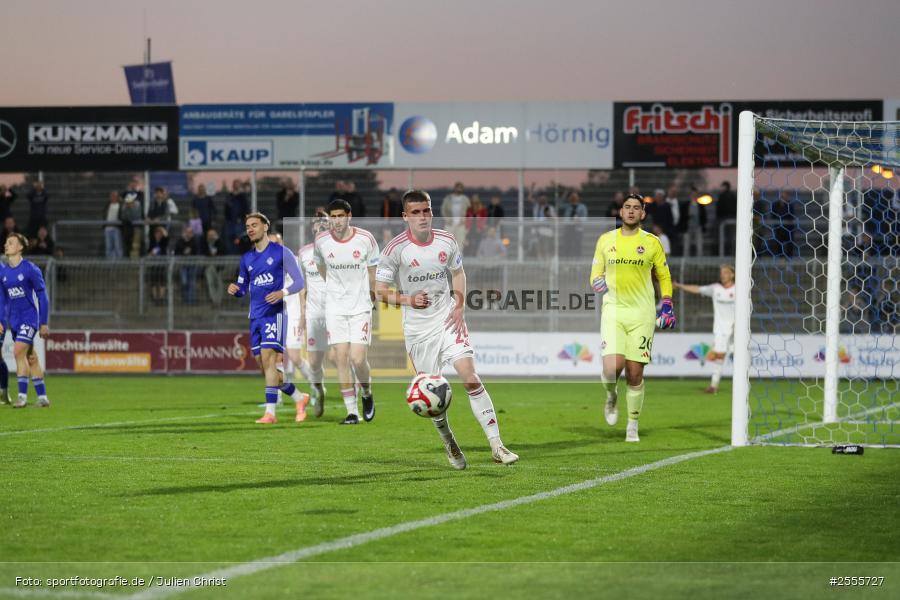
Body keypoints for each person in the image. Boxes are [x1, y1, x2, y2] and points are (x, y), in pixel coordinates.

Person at [374, 190, 518, 468]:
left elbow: (458, 273)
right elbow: (379, 291)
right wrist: (408, 300)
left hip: (447, 319)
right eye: (415, 212)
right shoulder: (394, 249)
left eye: (426, 210)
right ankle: (449, 441)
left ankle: (497, 445)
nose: (423, 217)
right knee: (433, 395)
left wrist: (459, 306)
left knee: (470, 377)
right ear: (405, 216)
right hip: (418, 331)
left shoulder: (447, 240)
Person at [590, 193, 675, 442]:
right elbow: (595, 272)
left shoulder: (652, 242)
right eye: (627, 207)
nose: (630, 211)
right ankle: (611, 396)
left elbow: (664, 276)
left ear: (643, 214)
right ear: (620, 211)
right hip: (614, 312)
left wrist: (667, 303)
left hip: (642, 314)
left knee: (635, 373)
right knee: (611, 368)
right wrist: (596, 282)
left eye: (636, 207)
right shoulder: (606, 240)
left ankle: (632, 425)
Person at [227, 213, 309, 424]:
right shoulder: (247, 258)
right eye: (248, 226)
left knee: (269, 360)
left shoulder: (281, 252)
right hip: (255, 317)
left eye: (254, 225)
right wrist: (235, 289)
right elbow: (243, 288)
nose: (250, 229)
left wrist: (283, 292)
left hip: (275, 314)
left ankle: (270, 413)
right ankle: (299, 398)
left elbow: (299, 282)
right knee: (265, 368)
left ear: (265, 226)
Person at [314, 199, 379, 424]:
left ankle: (367, 393)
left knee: (357, 359)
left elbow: (373, 271)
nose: (337, 221)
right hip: (335, 307)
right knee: (340, 358)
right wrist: (335, 290)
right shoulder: (321, 241)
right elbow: (321, 267)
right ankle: (352, 412)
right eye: (333, 216)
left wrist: (372, 293)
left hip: (361, 306)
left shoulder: (366, 238)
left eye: (341, 216)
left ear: (349, 216)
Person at [0, 233, 50, 408]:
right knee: (31, 356)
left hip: (29, 319)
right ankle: (43, 398)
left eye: (11, 242)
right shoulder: (3, 272)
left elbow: (42, 296)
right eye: (6, 243)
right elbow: (2, 300)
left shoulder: (30, 269)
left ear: (20, 247)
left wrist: (43, 322)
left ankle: (21, 396)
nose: (6, 245)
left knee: (17, 352)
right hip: (14, 321)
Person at [290, 215, 330, 416]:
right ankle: (318, 389)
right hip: (314, 313)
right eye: (317, 222)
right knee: (314, 362)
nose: (320, 224)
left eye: (324, 221)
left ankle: (354, 403)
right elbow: (302, 287)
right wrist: (302, 315)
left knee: (340, 356)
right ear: (312, 228)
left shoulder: (338, 250)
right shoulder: (303, 253)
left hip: (335, 311)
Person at [673, 265, 736, 393]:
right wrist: (679, 286)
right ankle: (714, 385)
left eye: (725, 272)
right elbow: (697, 289)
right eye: (721, 272)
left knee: (739, 356)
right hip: (721, 329)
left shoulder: (739, 290)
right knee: (719, 356)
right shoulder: (715, 288)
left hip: (737, 329)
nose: (722, 275)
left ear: (732, 275)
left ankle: (742, 384)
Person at [174, 225, 202, 305]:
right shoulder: (180, 241)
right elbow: (176, 252)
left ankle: (190, 301)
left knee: (191, 282)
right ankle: (185, 300)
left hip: (192, 265)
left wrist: (190, 250)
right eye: (187, 232)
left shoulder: (194, 241)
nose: (189, 234)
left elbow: (197, 251)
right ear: (184, 232)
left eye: (191, 232)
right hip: (183, 264)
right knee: (184, 282)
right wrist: (184, 251)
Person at [441, 182, 470, 250]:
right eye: (458, 187)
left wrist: (464, 220)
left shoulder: (465, 199)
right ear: (455, 188)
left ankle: (459, 255)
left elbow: (469, 211)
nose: (459, 189)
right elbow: (443, 210)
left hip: (461, 224)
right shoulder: (448, 198)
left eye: (460, 188)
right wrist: (447, 219)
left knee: (460, 242)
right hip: (450, 224)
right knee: (448, 242)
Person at [560, 191, 588, 257]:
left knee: (577, 246)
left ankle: (577, 261)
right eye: (572, 196)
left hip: (578, 229)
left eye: (575, 196)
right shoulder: (567, 206)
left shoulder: (582, 207)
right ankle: (568, 260)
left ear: (578, 197)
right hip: (568, 228)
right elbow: (560, 205)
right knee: (567, 245)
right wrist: (565, 194)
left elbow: (584, 219)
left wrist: (579, 220)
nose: (573, 197)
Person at [225, 180, 250, 254]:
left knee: (239, 237)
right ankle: (231, 254)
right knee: (230, 238)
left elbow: (246, 208)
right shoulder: (229, 196)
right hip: (230, 221)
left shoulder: (242, 196)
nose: (236, 186)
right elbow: (226, 208)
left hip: (239, 221)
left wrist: (243, 218)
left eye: (238, 184)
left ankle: (238, 254)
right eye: (235, 184)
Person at [147, 226, 169, 304]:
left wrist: (161, 228)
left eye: (160, 233)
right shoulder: (152, 242)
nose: (158, 235)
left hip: (162, 263)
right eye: (157, 233)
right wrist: (151, 253)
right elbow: (149, 252)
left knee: (162, 281)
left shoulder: (164, 241)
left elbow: (166, 235)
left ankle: (161, 298)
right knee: (154, 281)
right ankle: (155, 298)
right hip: (154, 263)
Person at [103, 191, 124, 258]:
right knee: (108, 247)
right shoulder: (108, 205)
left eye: (114, 196)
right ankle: (109, 262)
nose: (113, 197)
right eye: (111, 196)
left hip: (116, 228)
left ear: (117, 197)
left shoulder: (120, 205)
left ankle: (119, 262)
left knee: (118, 247)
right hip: (107, 229)